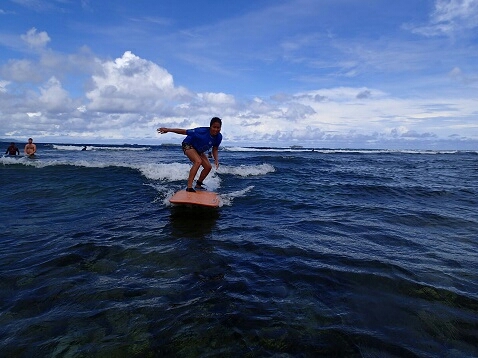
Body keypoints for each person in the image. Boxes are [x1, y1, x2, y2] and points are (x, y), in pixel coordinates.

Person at [157, 117, 222, 192]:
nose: (216, 129)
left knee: (208, 167)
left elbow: (215, 149)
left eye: (218, 128)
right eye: (214, 127)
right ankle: (189, 187)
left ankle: (198, 185)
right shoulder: (200, 131)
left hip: (198, 150)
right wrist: (168, 130)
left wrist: (216, 159)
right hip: (188, 144)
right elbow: (184, 131)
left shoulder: (219, 137)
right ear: (210, 126)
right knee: (198, 161)